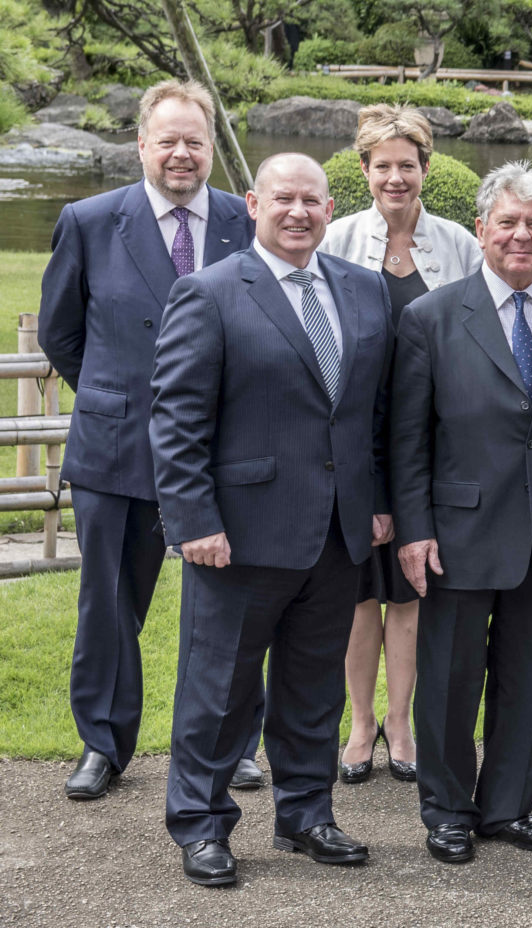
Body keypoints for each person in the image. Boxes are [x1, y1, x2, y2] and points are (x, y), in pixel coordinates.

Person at [150, 153, 394, 887]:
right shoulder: (210, 292)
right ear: (253, 205)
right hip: (239, 534)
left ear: (330, 209)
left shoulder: (364, 289)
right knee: (219, 690)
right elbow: (177, 420)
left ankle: (306, 815)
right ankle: (201, 823)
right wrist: (194, 520)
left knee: (313, 687)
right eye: (283, 199)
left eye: (311, 201)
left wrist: (379, 501)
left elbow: (374, 413)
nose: (298, 212)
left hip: (338, 532)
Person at [389, 163, 532, 864]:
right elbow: (407, 439)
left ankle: (510, 807)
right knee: (450, 682)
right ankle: (448, 811)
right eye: (508, 222)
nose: (521, 236)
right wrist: (414, 529)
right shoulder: (430, 317)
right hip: (458, 532)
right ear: (482, 228)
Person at [40, 80, 256, 801]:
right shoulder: (90, 221)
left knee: (233, 605)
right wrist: (124, 398)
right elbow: (60, 333)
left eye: (195, 140)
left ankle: (233, 742)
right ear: (141, 145)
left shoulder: (245, 220)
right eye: (168, 140)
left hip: (227, 450)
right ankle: (102, 743)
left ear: (212, 147)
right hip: (116, 445)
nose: (181, 153)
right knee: (109, 603)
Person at [320, 104, 482, 785]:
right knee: (361, 595)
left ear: (426, 168)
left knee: (412, 592)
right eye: (382, 166)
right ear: (364, 171)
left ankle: (401, 721)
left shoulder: (459, 243)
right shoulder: (335, 238)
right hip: (356, 442)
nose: (396, 178)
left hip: (431, 443)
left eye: (407, 165)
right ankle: (361, 724)